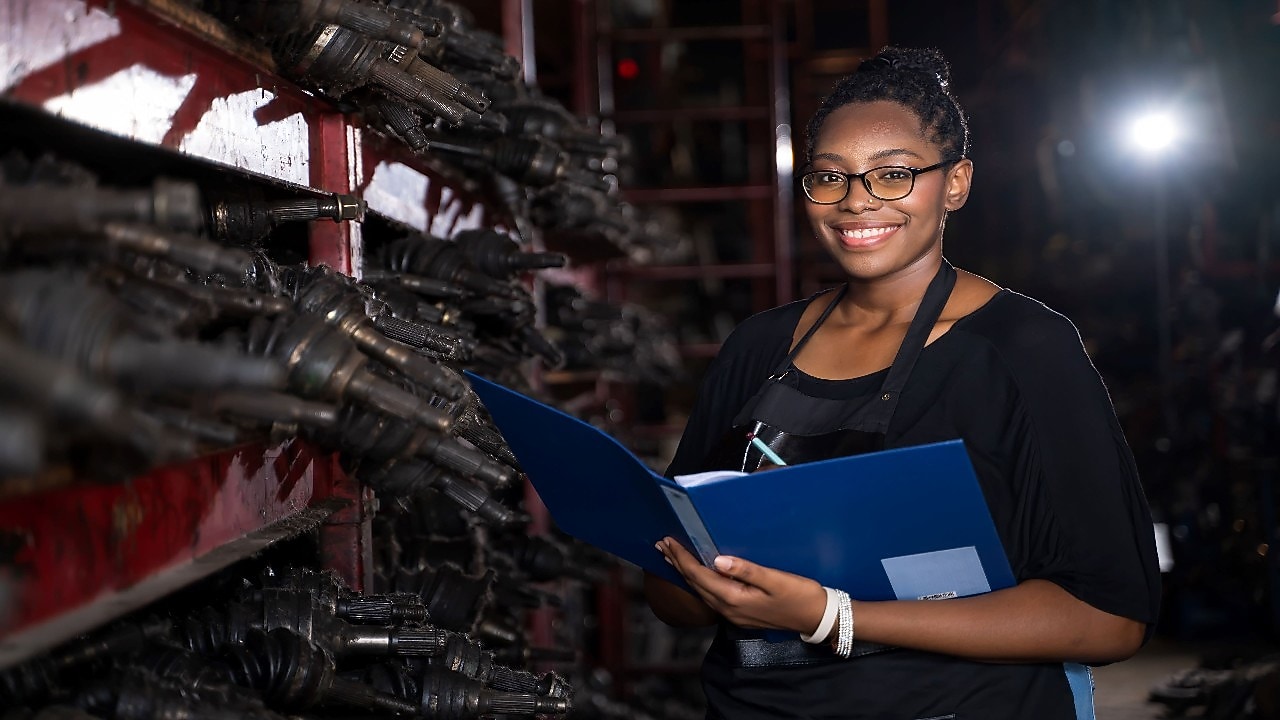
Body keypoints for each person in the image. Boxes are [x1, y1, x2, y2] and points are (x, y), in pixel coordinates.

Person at [645, 46, 1161, 719]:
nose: (856, 202)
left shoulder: (1023, 350)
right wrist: (711, 580)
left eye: (892, 175)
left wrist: (835, 615)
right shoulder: (758, 346)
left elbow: (1108, 617)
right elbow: (669, 593)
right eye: (829, 178)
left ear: (956, 183)